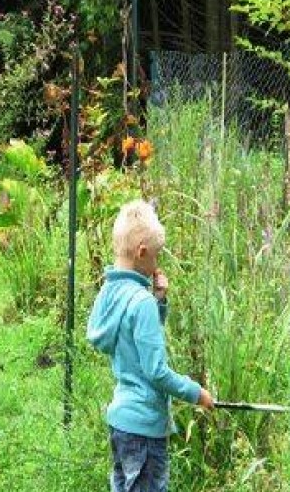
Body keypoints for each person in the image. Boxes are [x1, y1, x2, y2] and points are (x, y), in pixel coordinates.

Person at [87, 199, 214, 492]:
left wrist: (158, 301)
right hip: (144, 426)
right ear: (142, 252)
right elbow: (156, 371)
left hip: (121, 422)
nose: (157, 264)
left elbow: (132, 340)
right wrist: (196, 393)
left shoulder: (110, 291)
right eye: (156, 256)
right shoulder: (140, 301)